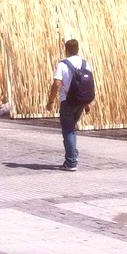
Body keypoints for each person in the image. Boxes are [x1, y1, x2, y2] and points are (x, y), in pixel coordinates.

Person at [45, 38, 92, 171]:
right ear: (77, 49)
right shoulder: (85, 63)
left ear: (66, 50)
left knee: (68, 131)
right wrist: (87, 103)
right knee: (72, 129)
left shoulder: (63, 64)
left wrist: (50, 101)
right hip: (80, 102)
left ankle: (71, 162)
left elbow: (57, 83)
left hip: (67, 101)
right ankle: (73, 154)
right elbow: (87, 85)